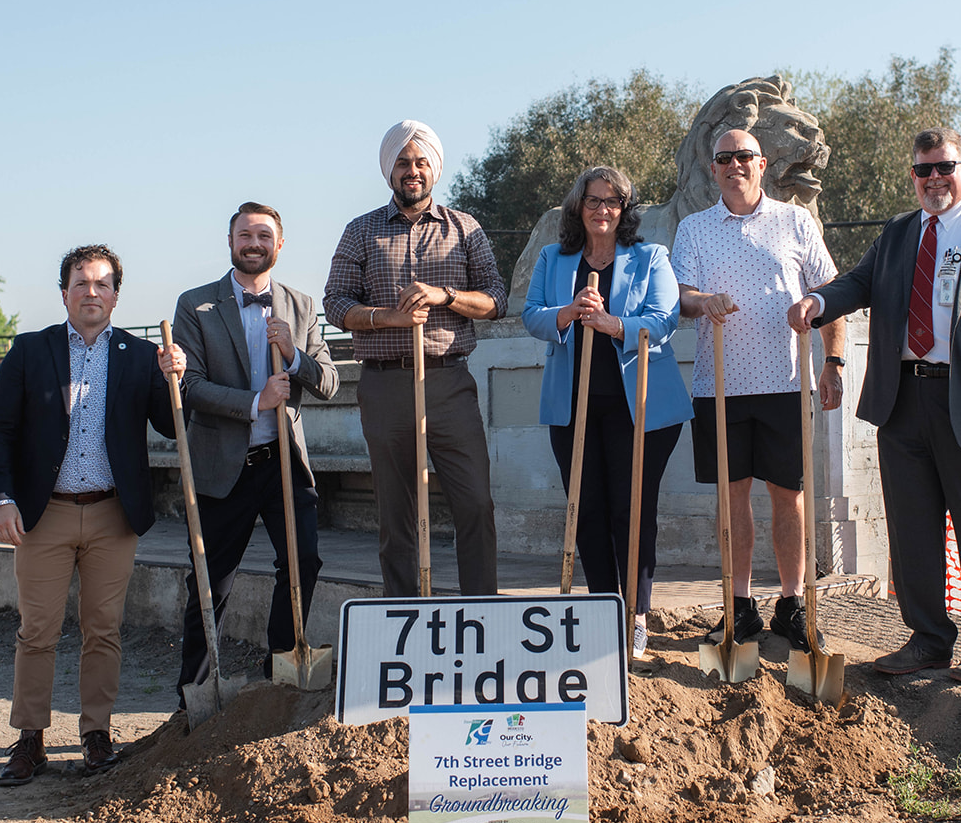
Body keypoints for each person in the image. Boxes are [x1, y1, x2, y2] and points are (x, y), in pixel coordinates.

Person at [802, 127, 961, 685]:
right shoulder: (897, 233)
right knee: (912, 528)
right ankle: (929, 639)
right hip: (903, 400)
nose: (934, 179)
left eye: (945, 167)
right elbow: (858, 283)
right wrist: (818, 301)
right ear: (913, 176)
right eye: (924, 170)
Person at [0, 244, 184, 785]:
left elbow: (171, 426)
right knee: (37, 630)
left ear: (116, 295)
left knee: (104, 630)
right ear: (64, 293)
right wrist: (1, 498)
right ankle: (30, 739)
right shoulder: (30, 350)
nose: (91, 292)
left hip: (112, 515)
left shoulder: (141, 355)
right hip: (43, 514)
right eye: (80, 283)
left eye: (102, 284)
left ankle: (97, 733)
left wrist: (176, 378)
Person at [671, 128, 848, 649]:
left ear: (762, 163)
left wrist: (832, 362)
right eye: (724, 158)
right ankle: (740, 605)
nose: (735, 165)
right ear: (713, 169)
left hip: (785, 384)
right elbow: (680, 295)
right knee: (732, 497)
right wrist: (702, 302)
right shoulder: (694, 229)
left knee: (789, 496)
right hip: (719, 387)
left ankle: (792, 605)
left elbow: (830, 293)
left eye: (744, 156)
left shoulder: (796, 220)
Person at [324, 120, 506, 596]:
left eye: (421, 162)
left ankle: (481, 608)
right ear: (389, 170)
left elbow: (496, 299)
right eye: (403, 162)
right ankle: (404, 611)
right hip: (384, 385)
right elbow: (336, 304)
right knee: (396, 511)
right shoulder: (360, 231)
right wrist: (390, 317)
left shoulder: (465, 228)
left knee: (475, 502)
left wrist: (446, 295)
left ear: (434, 169)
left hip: (449, 383)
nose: (413, 171)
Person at [171, 203, 339, 703]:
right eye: (245, 234)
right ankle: (195, 692)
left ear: (279, 245)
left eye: (264, 235)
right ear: (230, 242)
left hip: (284, 464)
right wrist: (255, 402)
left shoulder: (302, 306)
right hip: (224, 467)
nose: (254, 243)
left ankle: (279, 675)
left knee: (303, 562)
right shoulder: (196, 305)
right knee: (211, 582)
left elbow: (329, 381)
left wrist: (293, 355)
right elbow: (189, 386)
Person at [522, 166, 694, 656]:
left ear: (625, 209)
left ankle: (636, 614)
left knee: (630, 509)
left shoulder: (650, 257)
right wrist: (568, 312)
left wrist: (612, 323)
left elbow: (664, 320)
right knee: (587, 510)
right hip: (573, 407)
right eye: (593, 200)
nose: (603, 210)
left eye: (612, 201)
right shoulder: (554, 258)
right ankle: (603, 608)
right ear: (579, 207)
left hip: (638, 408)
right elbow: (531, 314)